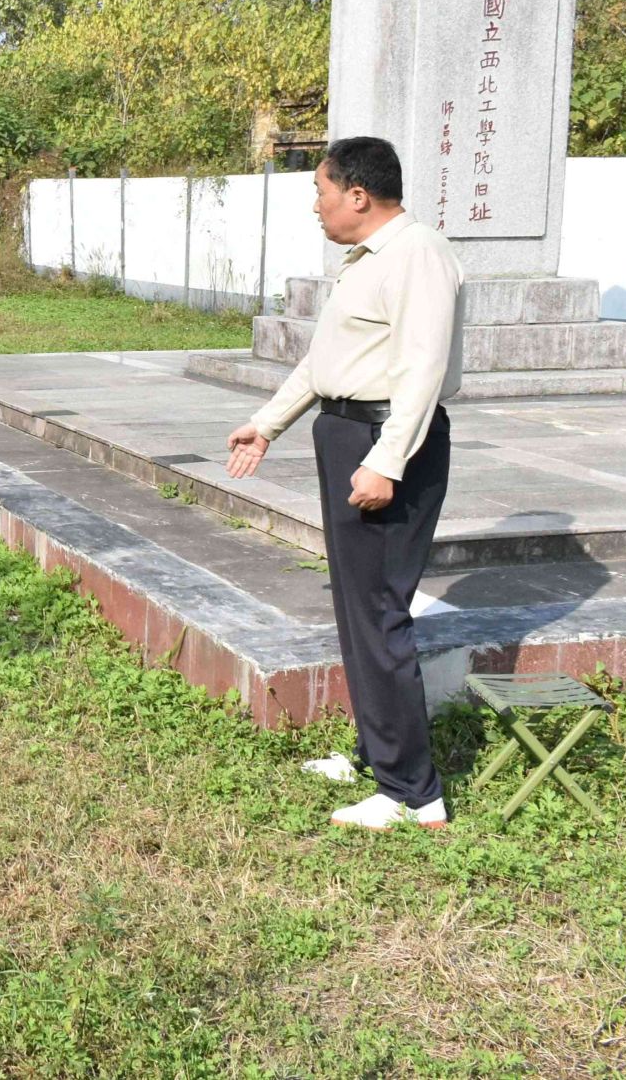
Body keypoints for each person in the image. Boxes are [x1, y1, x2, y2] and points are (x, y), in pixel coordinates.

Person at [223, 136, 463, 831]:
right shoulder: (366, 262)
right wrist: (268, 424)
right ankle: (376, 753)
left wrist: (388, 460)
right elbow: (324, 361)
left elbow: (421, 369)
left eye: (321, 193)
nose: (317, 208)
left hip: (386, 441)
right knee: (359, 608)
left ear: (358, 195)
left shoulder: (417, 254)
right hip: (348, 433)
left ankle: (413, 793)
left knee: (379, 612)